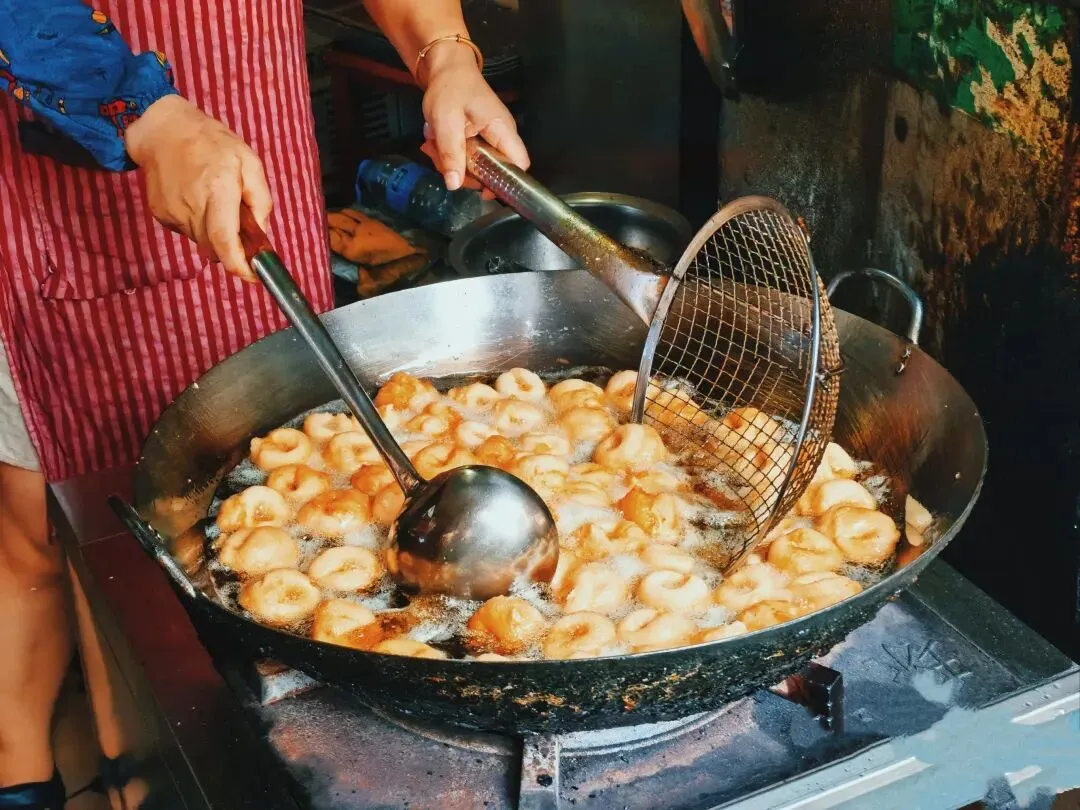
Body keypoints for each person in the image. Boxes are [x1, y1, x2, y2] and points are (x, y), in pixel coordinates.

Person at [0, 1, 528, 806]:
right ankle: (21, 769)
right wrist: (143, 112)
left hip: (253, 159)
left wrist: (444, 51)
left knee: (281, 438)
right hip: (62, 171)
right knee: (45, 532)